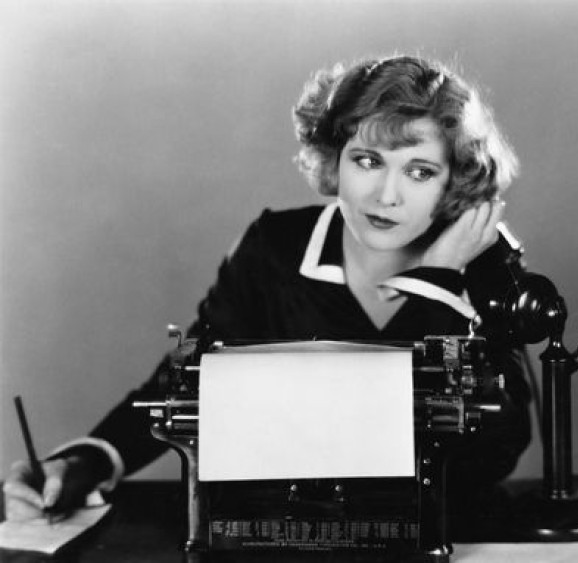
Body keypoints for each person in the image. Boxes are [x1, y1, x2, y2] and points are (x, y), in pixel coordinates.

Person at [4, 54, 531, 523]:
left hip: (446, 534)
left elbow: (494, 453)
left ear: (452, 183)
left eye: (419, 172)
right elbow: (189, 381)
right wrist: (86, 462)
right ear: (333, 159)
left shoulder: (481, 264)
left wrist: (437, 285)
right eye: (367, 161)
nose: (386, 195)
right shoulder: (275, 246)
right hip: (287, 531)